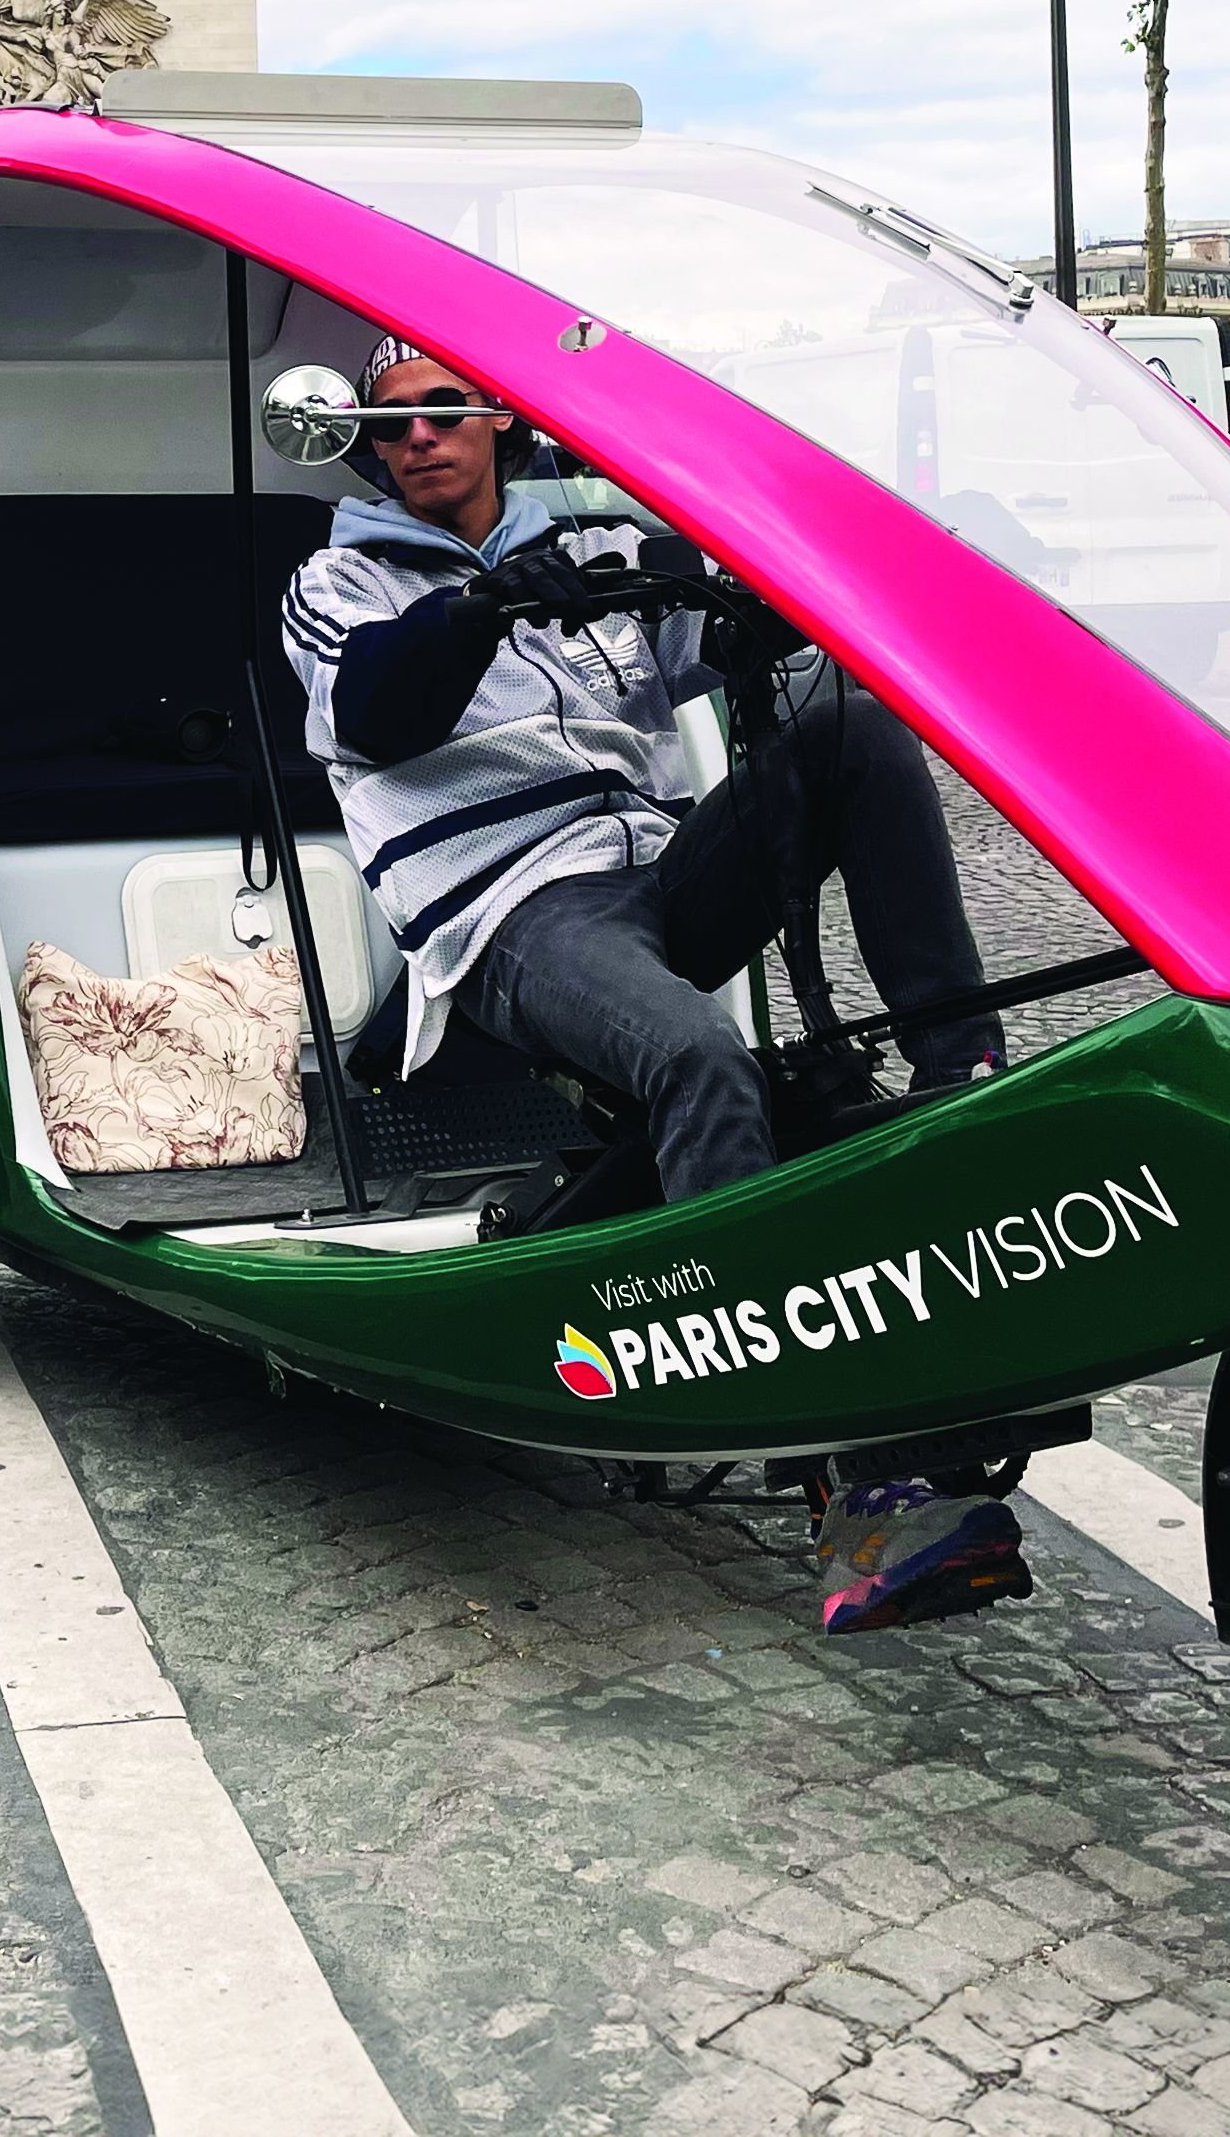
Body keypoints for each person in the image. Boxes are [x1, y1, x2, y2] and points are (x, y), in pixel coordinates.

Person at [282, 339, 1021, 1633]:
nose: (416, 438)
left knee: (849, 728)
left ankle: (962, 1072)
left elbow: (759, 642)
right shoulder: (338, 579)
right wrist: (486, 603)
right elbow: (378, 711)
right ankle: (849, 1487)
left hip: (659, 869)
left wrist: (752, 575)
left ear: (497, 412)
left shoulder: (588, 543)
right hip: (511, 910)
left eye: (442, 409)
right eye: (389, 423)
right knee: (701, 1060)